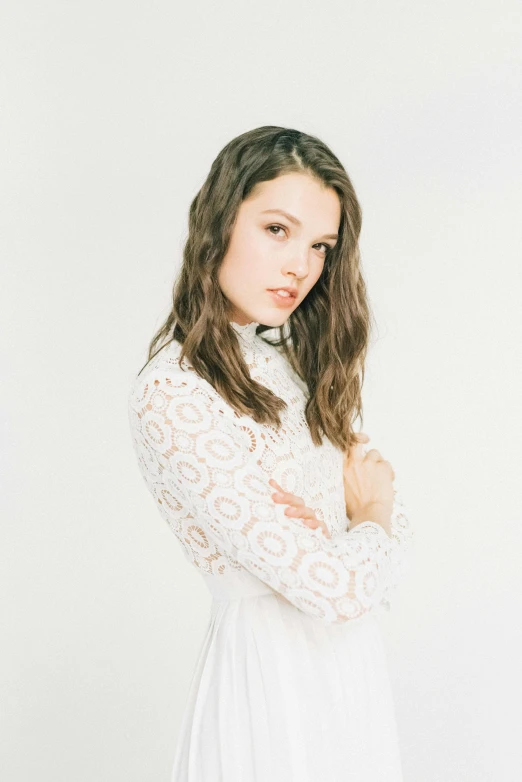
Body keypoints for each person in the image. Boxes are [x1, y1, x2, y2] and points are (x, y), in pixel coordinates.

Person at [127, 125, 414, 781]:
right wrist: (362, 519)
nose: (300, 266)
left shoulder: (290, 370)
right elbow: (340, 584)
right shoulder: (173, 393)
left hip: (349, 677)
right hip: (272, 686)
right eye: (277, 230)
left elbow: (396, 519)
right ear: (221, 221)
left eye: (320, 246)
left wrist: (355, 523)